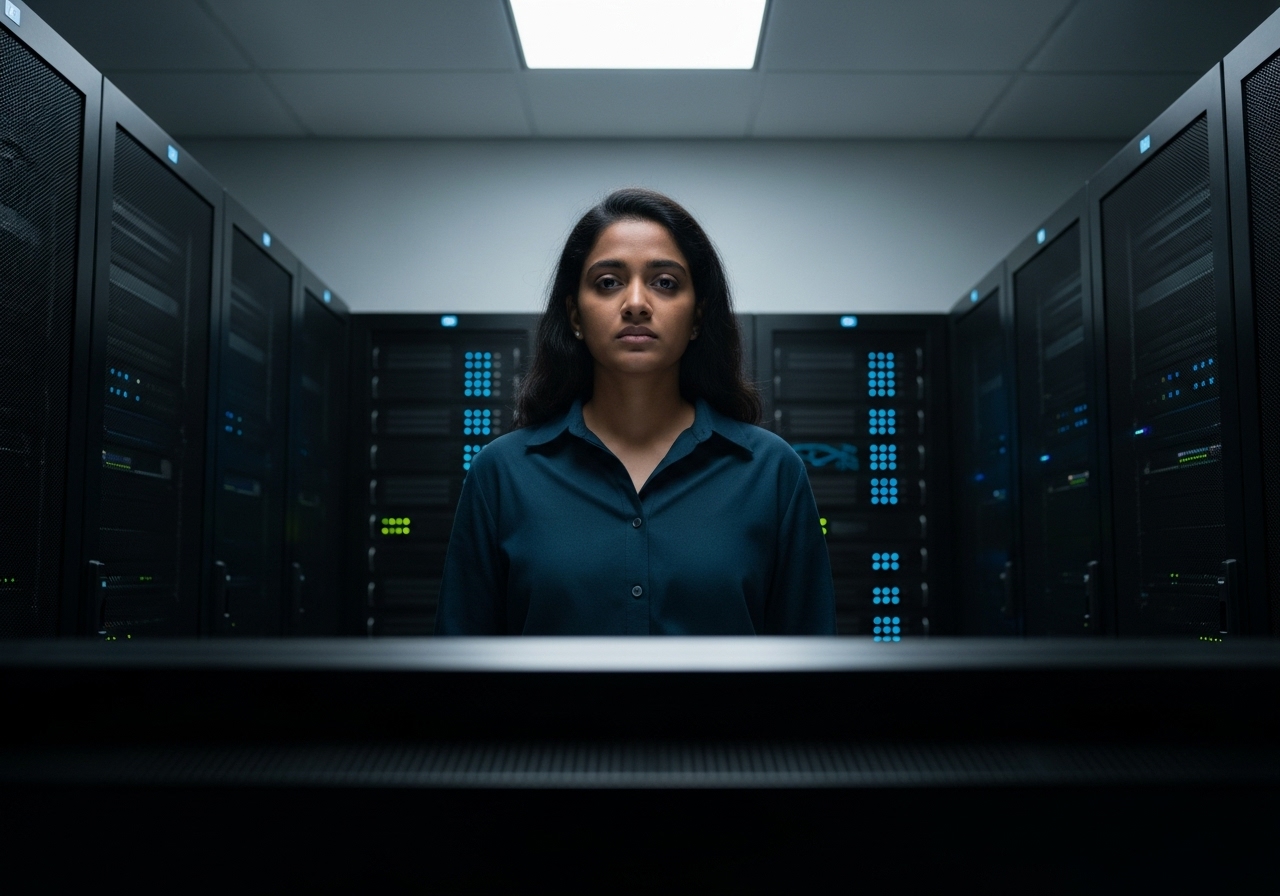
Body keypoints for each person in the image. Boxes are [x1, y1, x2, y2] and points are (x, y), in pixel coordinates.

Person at [436, 188, 836, 635]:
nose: (636, 303)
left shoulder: (771, 472)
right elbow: (459, 668)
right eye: (608, 282)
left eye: (665, 283)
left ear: (699, 316)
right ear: (574, 314)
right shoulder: (501, 474)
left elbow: (811, 666)